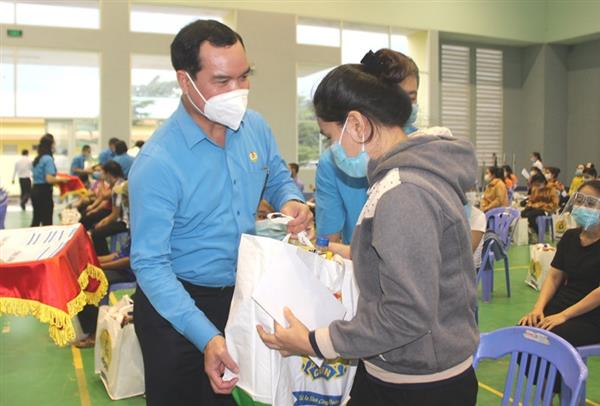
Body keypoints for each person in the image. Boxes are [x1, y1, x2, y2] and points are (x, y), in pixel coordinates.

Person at [258, 57, 479, 406]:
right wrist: (342, 250)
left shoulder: (404, 192)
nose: (333, 149)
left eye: (332, 137)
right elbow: (402, 260)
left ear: (358, 124)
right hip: (396, 368)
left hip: (419, 385)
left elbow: (406, 314)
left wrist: (313, 342)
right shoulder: (400, 179)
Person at [128, 20, 312, 406]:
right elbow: (150, 264)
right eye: (222, 81)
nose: (238, 91)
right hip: (174, 307)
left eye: (244, 77)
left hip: (237, 296)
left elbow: (277, 177)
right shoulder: (158, 162)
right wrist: (206, 336)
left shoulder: (255, 127)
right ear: (185, 80)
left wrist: (291, 201)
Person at [316, 48, 421, 244]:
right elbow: (328, 239)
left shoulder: (412, 174)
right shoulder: (333, 164)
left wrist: (356, 255)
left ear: (356, 124)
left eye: (411, 97)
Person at [518, 180, 600, 391]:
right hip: (563, 304)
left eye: (591, 203)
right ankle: (551, 390)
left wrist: (564, 316)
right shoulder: (570, 238)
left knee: (554, 338)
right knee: (524, 331)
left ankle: (562, 393)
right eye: (579, 201)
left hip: (591, 316)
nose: (583, 208)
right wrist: (538, 308)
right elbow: (554, 277)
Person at [90, 162, 127, 256]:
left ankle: (103, 257)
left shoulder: (117, 188)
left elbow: (115, 215)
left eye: (102, 173)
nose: (101, 175)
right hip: (125, 219)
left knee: (96, 233)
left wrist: (103, 222)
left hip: (124, 222)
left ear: (108, 174)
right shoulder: (121, 183)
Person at [31, 135, 68, 226]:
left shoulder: (38, 158)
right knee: (47, 221)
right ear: (50, 145)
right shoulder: (48, 159)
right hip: (44, 192)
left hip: (35, 190)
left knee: (36, 219)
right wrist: (62, 180)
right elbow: (49, 179)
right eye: (54, 144)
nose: (55, 146)